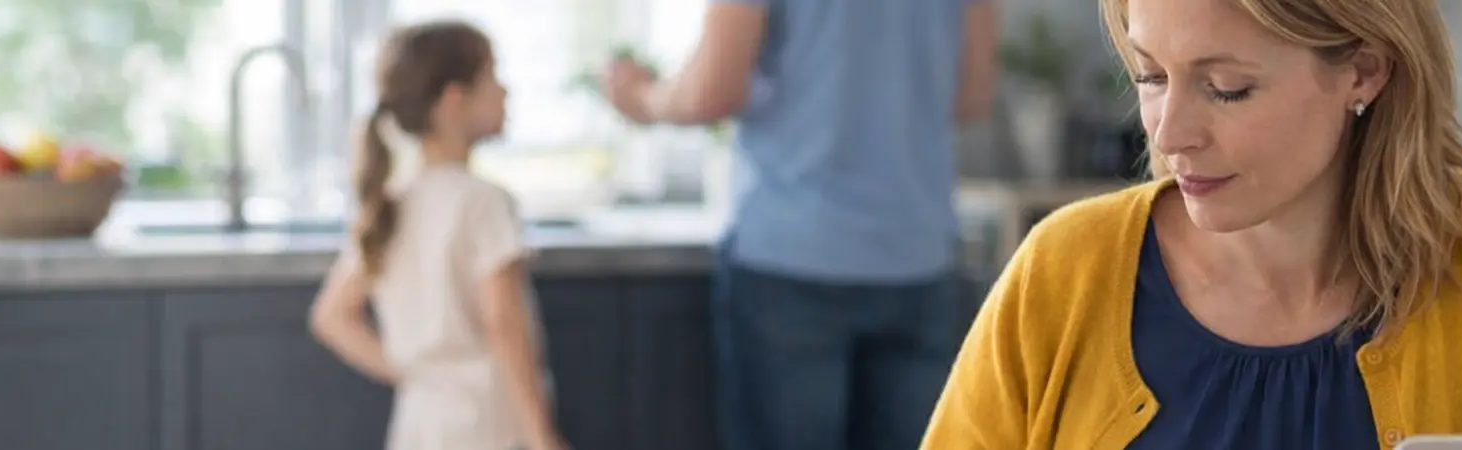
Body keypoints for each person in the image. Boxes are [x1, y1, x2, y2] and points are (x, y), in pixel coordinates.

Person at [922, 0, 1462, 448]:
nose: (1170, 136)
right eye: (1149, 77)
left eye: (1227, 88)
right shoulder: (1065, 268)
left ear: (1365, 72)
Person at [598, 0, 998, 449]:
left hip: (793, 256)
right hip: (917, 254)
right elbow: (972, 95)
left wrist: (639, 97)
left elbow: (711, 91)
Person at [308, 20, 569, 450]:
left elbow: (331, 317)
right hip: (490, 426)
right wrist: (541, 436)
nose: (506, 91)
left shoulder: (389, 203)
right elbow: (504, 324)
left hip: (421, 423)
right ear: (454, 100)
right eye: (493, 77)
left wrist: (417, 373)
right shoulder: (484, 202)